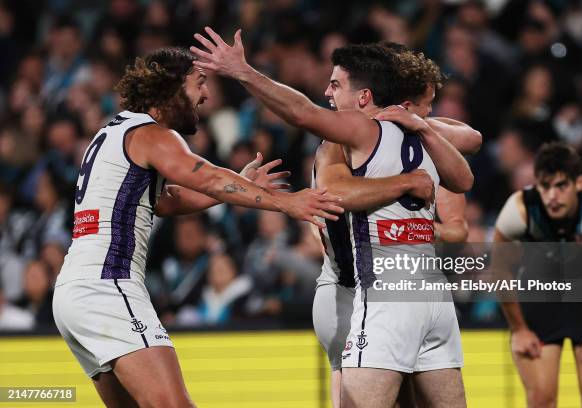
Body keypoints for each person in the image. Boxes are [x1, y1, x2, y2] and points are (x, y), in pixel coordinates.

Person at [191, 28, 473, 408]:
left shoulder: (359, 130)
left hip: (377, 294)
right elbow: (465, 170)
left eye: (335, 85)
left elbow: (303, 116)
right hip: (432, 297)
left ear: (365, 96)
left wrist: (244, 73)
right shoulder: (429, 138)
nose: (327, 94)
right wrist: (419, 138)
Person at [52, 47, 343, 408]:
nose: (204, 94)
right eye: (199, 82)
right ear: (172, 86)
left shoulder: (113, 132)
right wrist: (288, 202)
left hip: (72, 292)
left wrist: (239, 185)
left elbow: (166, 198)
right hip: (107, 285)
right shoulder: (151, 133)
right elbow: (205, 177)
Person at [494, 142, 582, 408]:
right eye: (545, 187)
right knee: (541, 401)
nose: (552, 197)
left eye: (561, 186)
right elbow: (500, 270)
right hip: (541, 299)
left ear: (579, 184)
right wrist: (519, 329)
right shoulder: (519, 209)